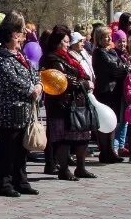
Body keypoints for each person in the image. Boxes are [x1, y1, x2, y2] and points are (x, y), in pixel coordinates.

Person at [0, 21, 40, 198]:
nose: (23, 38)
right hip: (8, 110)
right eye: (20, 34)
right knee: (7, 149)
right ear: (12, 36)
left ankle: (21, 180)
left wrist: (39, 84)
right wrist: (31, 89)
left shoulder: (20, 55)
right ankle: (5, 183)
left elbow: (34, 72)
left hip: (25, 109)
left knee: (21, 148)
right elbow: (10, 79)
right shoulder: (0, 57)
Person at [41, 26, 96, 178]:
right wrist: (84, 84)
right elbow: (62, 79)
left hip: (77, 102)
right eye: (65, 41)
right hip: (61, 104)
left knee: (83, 135)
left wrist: (85, 81)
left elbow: (81, 73)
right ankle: (63, 169)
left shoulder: (69, 57)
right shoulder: (52, 58)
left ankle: (81, 167)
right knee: (63, 138)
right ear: (58, 42)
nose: (68, 44)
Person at [91, 27, 128, 163]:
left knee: (114, 121)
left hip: (116, 90)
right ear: (99, 38)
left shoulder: (112, 51)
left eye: (109, 36)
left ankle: (111, 150)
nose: (108, 39)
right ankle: (105, 151)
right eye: (105, 37)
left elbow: (122, 66)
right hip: (106, 91)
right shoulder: (99, 53)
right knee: (105, 121)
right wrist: (122, 68)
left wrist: (123, 68)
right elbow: (114, 69)